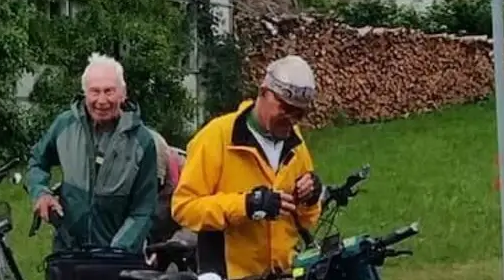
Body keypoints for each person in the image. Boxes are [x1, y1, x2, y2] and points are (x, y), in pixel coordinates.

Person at [171, 55, 323, 279]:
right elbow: (184, 208)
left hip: (284, 272)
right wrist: (247, 205)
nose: (292, 119)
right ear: (263, 92)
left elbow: (306, 219)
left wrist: (310, 197)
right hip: (229, 273)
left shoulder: (295, 142)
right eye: (286, 108)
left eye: (300, 113)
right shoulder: (217, 137)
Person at [27, 53, 160, 252]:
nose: (101, 100)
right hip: (68, 249)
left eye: (109, 91)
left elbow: (144, 209)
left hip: (118, 256)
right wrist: (41, 193)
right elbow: (37, 162)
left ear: (123, 94)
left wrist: (117, 250)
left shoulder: (142, 141)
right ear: (85, 93)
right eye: (95, 91)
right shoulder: (65, 125)